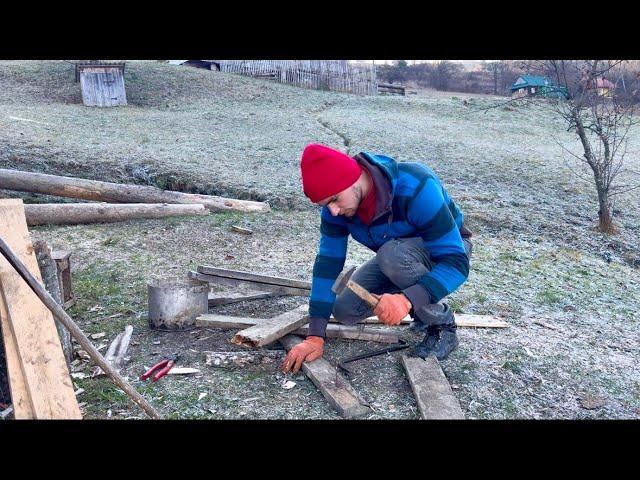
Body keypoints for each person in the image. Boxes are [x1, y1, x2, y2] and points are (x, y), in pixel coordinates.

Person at [281, 144, 472, 374]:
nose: (333, 211)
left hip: (447, 250)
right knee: (345, 309)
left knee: (391, 255)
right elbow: (327, 266)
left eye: (334, 199)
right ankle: (419, 306)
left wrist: (406, 300)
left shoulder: (417, 186)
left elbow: (456, 263)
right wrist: (315, 335)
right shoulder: (337, 211)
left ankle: (442, 325)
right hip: (396, 258)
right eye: (325, 205)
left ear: (353, 179)